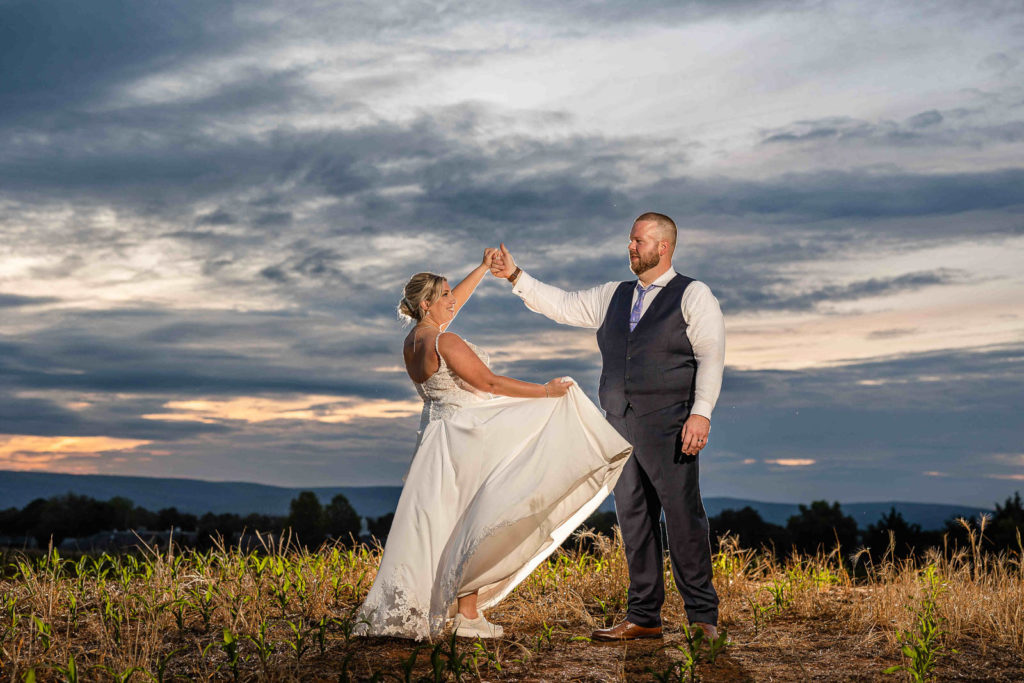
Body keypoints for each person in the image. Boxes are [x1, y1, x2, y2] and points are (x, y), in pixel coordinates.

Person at [355, 249, 632, 641]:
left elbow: (451, 310)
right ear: (426, 304)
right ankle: (466, 614)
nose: (454, 299)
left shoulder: (414, 341)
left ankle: (465, 612)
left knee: (453, 521)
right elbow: (490, 383)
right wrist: (547, 392)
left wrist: (485, 268)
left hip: (436, 437)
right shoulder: (445, 341)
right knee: (478, 517)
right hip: (466, 436)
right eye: (446, 294)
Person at [489, 212, 726, 642]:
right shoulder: (612, 296)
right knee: (634, 518)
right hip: (617, 425)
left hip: (671, 423)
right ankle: (644, 617)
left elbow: (711, 355)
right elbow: (561, 305)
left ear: (663, 247)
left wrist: (702, 411)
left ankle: (702, 620)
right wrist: (514, 276)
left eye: (638, 241)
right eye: (630, 241)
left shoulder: (694, 294)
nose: (631, 247)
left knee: (682, 517)